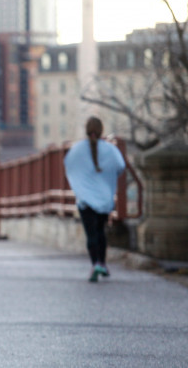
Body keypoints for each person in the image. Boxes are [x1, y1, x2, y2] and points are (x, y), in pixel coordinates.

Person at [63, 116, 126, 282]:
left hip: (85, 200)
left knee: (91, 234)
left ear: (86, 130)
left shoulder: (76, 150)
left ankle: (95, 264)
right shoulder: (111, 149)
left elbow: (68, 166)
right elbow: (121, 167)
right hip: (104, 200)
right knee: (100, 232)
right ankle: (103, 264)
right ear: (101, 130)